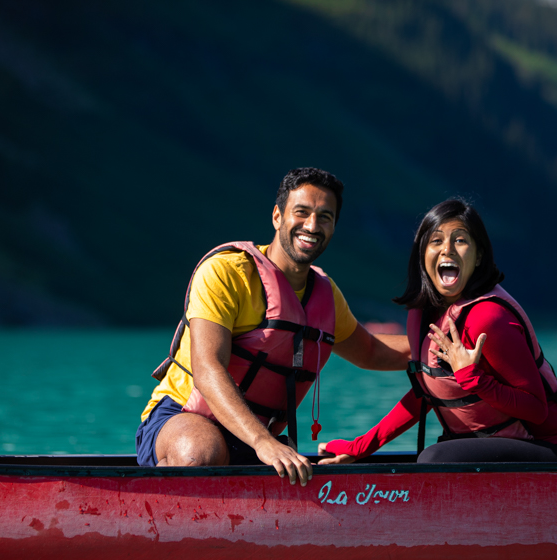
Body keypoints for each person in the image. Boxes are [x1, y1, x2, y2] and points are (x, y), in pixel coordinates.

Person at [136, 167, 410, 485]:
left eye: (325, 217)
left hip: (254, 440)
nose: (312, 226)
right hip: (183, 419)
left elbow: (373, 351)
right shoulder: (228, 272)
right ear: (278, 216)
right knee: (200, 452)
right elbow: (208, 368)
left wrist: (444, 345)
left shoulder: (325, 295)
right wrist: (264, 442)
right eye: (302, 212)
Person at [318, 198, 557, 464]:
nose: (447, 249)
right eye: (436, 241)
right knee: (440, 455)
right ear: (422, 254)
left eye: (460, 240)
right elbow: (429, 392)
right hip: (498, 445)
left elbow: (536, 408)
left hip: (556, 450)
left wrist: (473, 378)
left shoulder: (490, 318)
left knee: (435, 459)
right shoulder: (425, 314)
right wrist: (361, 447)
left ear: (479, 255)